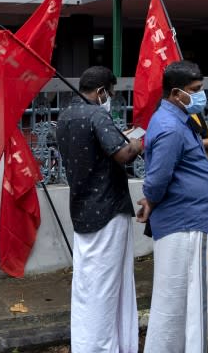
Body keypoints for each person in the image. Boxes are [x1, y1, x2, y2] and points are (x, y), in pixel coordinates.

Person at [137, 61, 208, 353]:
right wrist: (150, 198)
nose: (201, 97)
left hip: (188, 219)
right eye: (195, 91)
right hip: (185, 221)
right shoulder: (170, 126)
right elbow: (157, 177)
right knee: (182, 302)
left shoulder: (179, 120)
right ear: (176, 93)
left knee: (177, 300)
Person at [55, 66, 143, 353]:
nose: (112, 99)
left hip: (82, 208)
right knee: (105, 287)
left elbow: (95, 147)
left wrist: (120, 136)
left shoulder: (66, 115)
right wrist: (139, 141)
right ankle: (102, 347)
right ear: (102, 91)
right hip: (107, 208)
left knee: (87, 284)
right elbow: (122, 154)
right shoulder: (97, 114)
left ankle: (89, 345)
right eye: (112, 93)